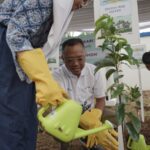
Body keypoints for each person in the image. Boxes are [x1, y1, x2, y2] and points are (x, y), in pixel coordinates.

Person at [0, 0, 90, 150]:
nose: (83, 5)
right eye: (84, 0)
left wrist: (79, 117)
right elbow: (16, 35)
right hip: (8, 47)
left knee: (26, 117)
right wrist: (43, 79)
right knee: (13, 117)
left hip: (20, 52)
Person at [53, 38, 118, 150]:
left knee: (118, 119)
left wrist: (96, 117)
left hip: (92, 112)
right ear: (62, 58)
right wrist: (89, 126)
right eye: (69, 60)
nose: (75, 64)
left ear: (85, 55)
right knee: (61, 135)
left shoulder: (94, 71)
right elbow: (63, 107)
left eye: (79, 59)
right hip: (68, 116)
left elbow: (101, 99)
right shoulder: (56, 76)